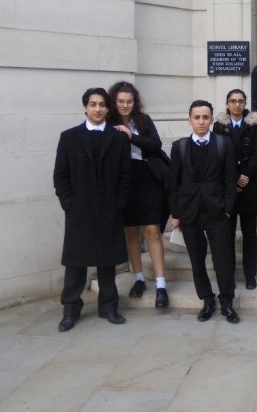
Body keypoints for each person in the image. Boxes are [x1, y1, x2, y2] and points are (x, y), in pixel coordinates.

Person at [53, 88, 131, 332]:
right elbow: (60, 176)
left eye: (102, 105)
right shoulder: (69, 137)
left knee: (107, 262)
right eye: (93, 104)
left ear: (108, 109)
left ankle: (109, 307)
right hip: (79, 211)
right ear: (85, 107)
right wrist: (69, 203)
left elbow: (125, 175)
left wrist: (119, 203)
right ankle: (70, 310)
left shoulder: (118, 138)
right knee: (75, 264)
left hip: (109, 209)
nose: (97, 109)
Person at [168, 100, 240, 324]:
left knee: (223, 260)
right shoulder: (179, 147)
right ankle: (207, 300)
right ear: (189, 120)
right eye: (197, 117)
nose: (201, 121)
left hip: (217, 212)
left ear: (211, 120)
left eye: (205, 117)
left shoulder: (223, 144)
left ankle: (227, 302)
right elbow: (174, 184)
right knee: (196, 260)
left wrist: (228, 209)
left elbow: (230, 180)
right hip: (190, 213)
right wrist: (176, 214)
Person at [107, 81, 170, 310]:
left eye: (129, 101)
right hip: (124, 181)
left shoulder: (143, 120)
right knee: (131, 232)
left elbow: (155, 145)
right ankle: (139, 278)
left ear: (135, 102)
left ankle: (161, 285)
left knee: (152, 230)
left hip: (148, 177)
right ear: (114, 102)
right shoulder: (108, 124)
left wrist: (131, 136)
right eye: (121, 101)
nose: (125, 105)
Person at [212, 89, 257, 290]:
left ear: (245, 103)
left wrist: (244, 177)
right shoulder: (219, 126)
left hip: (249, 185)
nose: (237, 105)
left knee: (250, 234)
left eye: (240, 101)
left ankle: (250, 275)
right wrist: (234, 178)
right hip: (228, 188)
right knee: (228, 235)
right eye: (233, 101)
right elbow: (217, 154)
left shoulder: (254, 125)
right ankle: (229, 275)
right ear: (227, 104)